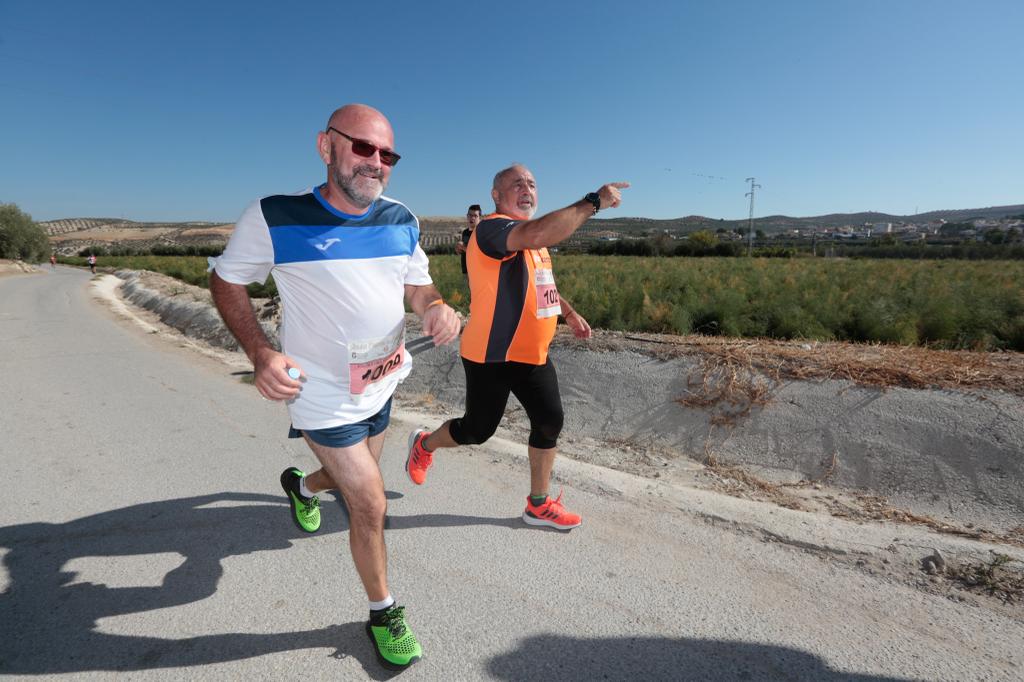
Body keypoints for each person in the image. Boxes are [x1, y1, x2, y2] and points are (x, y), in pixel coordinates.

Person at [209, 103, 460, 670]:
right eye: (363, 148)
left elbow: (417, 285)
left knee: (356, 481)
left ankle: (302, 486)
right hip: (322, 394)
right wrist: (261, 352)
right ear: (326, 146)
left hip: (383, 382)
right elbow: (226, 281)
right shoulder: (276, 215)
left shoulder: (401, 219)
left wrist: (438, 306)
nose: (376, 162)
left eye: (387, 154)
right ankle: (382, 612)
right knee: (370, 502)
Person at [405, 164, 628, 530]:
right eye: (516, 184)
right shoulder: (492, 228)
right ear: (496, 195)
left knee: (549, 421)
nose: (527, 189)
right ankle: (425, 445)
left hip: (531, 354)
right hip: (490, 355)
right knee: (477, 431)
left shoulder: (533, 245)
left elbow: (544, 285)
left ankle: (537, 505)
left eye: (532, 184)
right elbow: (539, 230)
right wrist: (593, 202)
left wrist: (568, 314)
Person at [455, 204, 482, 286]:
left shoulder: (481, 232)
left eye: (475, 216)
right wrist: (458, 250)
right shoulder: (465, 232)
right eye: (470, 215)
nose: (472, 218)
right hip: (466, 271)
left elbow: (478, 253)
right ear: (467, 216)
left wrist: (463, 247)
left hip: (478, 273)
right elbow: (464, 251)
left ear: (479, 217)